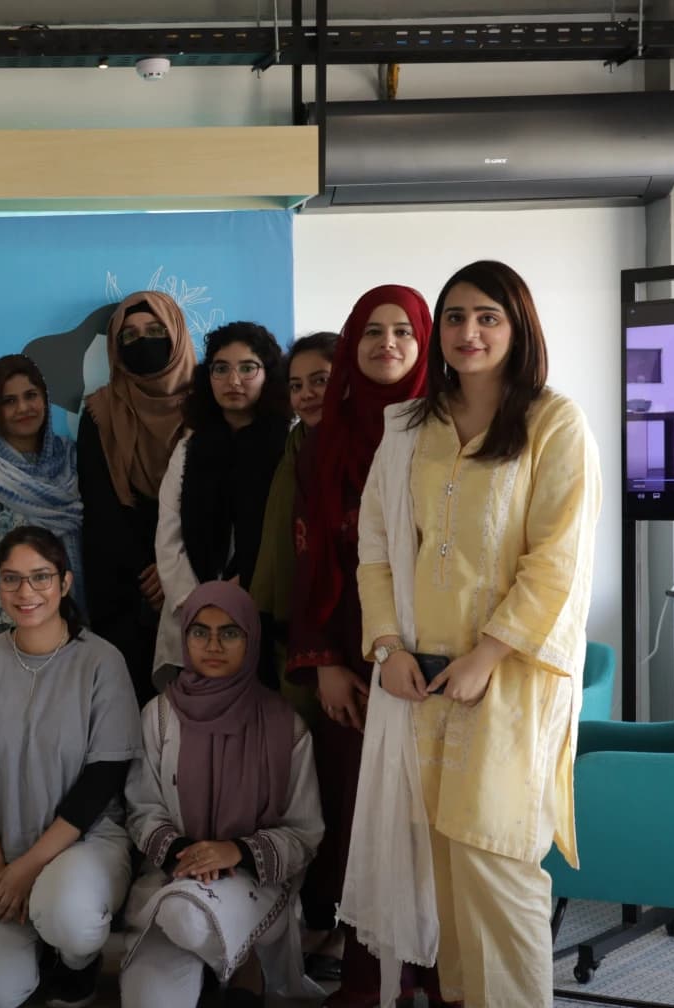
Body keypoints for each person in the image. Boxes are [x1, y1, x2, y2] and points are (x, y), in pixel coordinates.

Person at [345, 261, 601, 1008]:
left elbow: (559, 560)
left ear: (518, 326)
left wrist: (488, 654)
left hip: (510, 681)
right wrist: (386, 648)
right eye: (454, 317)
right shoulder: (411, 428)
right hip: (421, 682)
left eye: (487, 316)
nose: (468, 332)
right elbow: (377, 549)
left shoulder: (554, 422)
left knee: (498, 865)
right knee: (446, 874)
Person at [282, 290, 439, 1007]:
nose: (387, 342)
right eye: (371, 331)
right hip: (351, 653)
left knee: (434, 821)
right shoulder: (327, 436)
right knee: (359, 820)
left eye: (404, 330)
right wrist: (328, 664)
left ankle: (442, 974)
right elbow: (307, 558)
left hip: (443, 656)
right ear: (352, 341)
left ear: (424, 340)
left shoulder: (452, 422)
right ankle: (371, 977)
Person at [0, 526, 140, 1008]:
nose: (25, 593)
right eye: (11, 579)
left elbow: (101, 782)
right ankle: (32, 947)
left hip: (85, 842)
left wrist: (26, 870)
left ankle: (74, 962)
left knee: (70, 918)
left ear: (66, 582)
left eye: (40, 578)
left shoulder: (102, 661)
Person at [117, 581, 325, 1008]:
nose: (213, 645)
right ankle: (223, 965)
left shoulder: (285, 726)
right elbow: (142, 810)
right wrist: (189, 854)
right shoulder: (158, 716)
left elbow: (305, 830)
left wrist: (235, 852)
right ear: (184, 637)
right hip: (171, 875)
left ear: (251, 638)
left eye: (229, 632)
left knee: (188, 917)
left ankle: (246, 961)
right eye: (200, 632)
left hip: (251, 878)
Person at [152, 322, 291, 682]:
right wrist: (200, 602)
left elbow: (290, 531)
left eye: (248, 368)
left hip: (267, 606)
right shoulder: (190, 447)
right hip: (193, 611)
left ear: (268, 374)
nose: (234, 380)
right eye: (221, 368)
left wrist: (247, 588)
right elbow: (168, 535)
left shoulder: (288, 444)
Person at [77, 291, 198, 704]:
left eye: (154, 331)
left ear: (177, 334)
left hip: (197, 576)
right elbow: (99, 505)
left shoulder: (209, 406)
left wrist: (174, 572)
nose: (142, 342)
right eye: (128, 335)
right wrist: (148, 570)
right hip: (126, 585)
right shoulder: (100, 411)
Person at [0, 355, 84, 647]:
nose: (23, 408)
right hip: (4, 631)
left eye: (31, 396)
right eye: (9, 401)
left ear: (45, 399)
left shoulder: (69, 460)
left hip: (67, 625)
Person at [253, 331, 337, 714]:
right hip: (290, 631)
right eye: (296, 385)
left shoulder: (362, 450)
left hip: (344, 639)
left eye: (320, 380)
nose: (306, 395)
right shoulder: (294, 447)